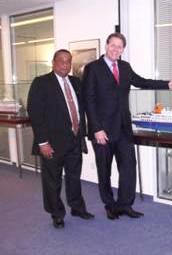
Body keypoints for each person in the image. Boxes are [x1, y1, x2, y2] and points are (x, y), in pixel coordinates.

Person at [82, 32, 172, 220]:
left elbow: (142, 82)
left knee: (128, 166)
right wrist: (96, 129)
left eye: (120, 47)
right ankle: (110, 205)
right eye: (113, 45)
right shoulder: (93, 68)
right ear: (106, 46)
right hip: (102, 130)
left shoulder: (125, 67)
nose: (116, 49)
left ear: (123, 50)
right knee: (104, 169)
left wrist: (167, 84)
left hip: (124, 128)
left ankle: (125, 204)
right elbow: (88, 100)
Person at [27, 49, 94, 229]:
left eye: (68, 61)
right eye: (62, 61)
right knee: (52, 180)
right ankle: (56, 213)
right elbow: (35, 114)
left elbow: (83, 107)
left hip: (74, 140)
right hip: (52, 143)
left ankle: (77, 208)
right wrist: (42, 142)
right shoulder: (41, 83)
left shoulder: (75, 82)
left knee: (74, 177)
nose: (65, 65)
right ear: (53, 62)